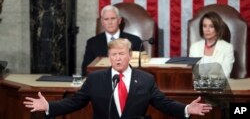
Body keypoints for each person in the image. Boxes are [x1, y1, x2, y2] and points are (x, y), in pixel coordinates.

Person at [24, 38, 212, 119]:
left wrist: (187, 108)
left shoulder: (146, 79)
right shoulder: (95, 79)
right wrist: (49, 106)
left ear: (130, 55)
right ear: (109, 56)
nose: (118, 58)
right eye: (113, 54)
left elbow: (163, 103)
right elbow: (75, 102)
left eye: (121, 54)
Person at [81, 5, 143, 76]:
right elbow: (85, 70)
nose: (110, 22)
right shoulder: (92, 43)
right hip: (101, 82)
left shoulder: (134, 41)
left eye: (113, 18)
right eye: (106, 19)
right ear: (102, 22)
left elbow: (140, 69)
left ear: (119, 20)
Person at [189, 11, 235, 78]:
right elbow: (192, 72)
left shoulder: (227, 48)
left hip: (218, 87)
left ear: (217, 28)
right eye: (204, 26)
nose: (207, 30)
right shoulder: (194, 47)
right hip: (197, 86)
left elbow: (225, 74)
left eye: (211, 26)